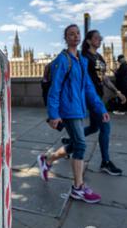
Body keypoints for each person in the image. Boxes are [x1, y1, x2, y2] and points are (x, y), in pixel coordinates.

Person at [37, 24, 110, 204]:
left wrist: (101, 109)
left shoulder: (82, 61)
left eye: (78, 33)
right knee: (81, 146)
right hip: (67, 110)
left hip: (79, 108)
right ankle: (78, 188)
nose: (75, 36)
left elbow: (88, 88)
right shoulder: (63, 60)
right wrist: (53, 114)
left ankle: (47, 159)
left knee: (78, 144)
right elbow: (55, 89)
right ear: (66, 38)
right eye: (71, 34)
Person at [61, 30, 124, 176]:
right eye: (97, 38)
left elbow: (105, 78)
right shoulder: (84, 57)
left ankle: (70, 142)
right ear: (89, 40)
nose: (100, 40)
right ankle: (105, 162)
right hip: (90, 98)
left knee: (95, 127)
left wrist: (117, 92)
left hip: (98, 98)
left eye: (100, 38)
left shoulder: (100, 57)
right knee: (106, 127)